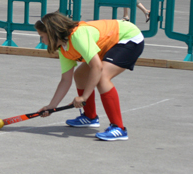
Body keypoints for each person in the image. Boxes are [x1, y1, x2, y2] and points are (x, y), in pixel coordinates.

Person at [35, 12, 145, 141]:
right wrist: (51, 106)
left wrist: (84, 97)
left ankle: (119, 128)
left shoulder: (77, 36)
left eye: (42, 36)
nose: (41, 40)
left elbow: (97, 67)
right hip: (108, 44)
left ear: (52, 33)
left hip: (128, 38)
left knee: (102, 77)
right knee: (80, 75)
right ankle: (90, 117)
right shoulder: (63, 49)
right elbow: (66, 80)